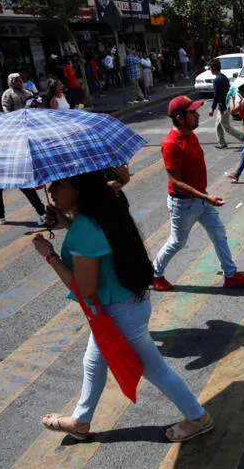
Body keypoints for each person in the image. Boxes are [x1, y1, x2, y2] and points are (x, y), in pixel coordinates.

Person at [31, 170, 213, 443]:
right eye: (51, 185)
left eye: (59, 184)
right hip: (124, 304)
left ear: (79, 188)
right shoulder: (102, 210)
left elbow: (84, 288)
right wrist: (67, 221)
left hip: (118, 313)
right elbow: (97, 242)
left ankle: (199, 418)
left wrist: (50, 256)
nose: (51, 191)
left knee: (154, 370)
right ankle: (81, 421)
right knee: (93, 362)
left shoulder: (85, 228)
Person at [150, 95, 244, 292]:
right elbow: (175, 182)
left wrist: (204, 196)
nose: (197, 115)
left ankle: (230, 275)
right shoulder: (171, 144)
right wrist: (205, 197)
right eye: (192, 113)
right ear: (180, 118)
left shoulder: (191, 135)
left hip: (201, 198)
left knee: (219, 233)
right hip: (184, 204)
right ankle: (154, 274)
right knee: (177, 242)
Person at [0, 94, 48, 226]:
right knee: (26, 186)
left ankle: (0, 216)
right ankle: (43, 213)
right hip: (13, 155)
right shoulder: (5, 117)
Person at [210, 60, 244, 149]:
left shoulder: (217, 80)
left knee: (226, 127)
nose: (210, 70)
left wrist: (212, 108)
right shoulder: (224, 77)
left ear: (213, 69)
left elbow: (216, 95)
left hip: (223, 106)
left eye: (210, 68)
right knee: (218, 125)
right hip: (225, 104)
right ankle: (222, 143)